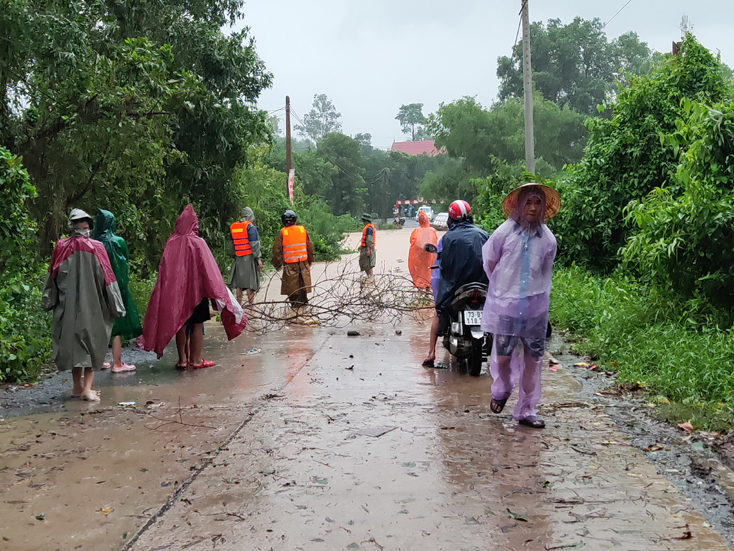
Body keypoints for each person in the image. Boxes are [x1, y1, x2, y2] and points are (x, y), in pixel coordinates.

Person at [481, 183, 559, 429]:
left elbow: (545, 272)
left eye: (538, 203)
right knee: (503, 357)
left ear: (544, 207)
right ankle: (502, 389)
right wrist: (504, 290)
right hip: (507, 307)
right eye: (528, 202)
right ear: (518, 204)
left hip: (535, 309)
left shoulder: (547, 240)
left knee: (533, 361)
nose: (533, 208)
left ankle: (527, 409)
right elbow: (490, 262)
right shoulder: (504, 233)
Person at [140, 204, 246, 368]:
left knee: (180, 324)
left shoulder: (172, 242)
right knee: (197, 324)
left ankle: (182, 359)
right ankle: (195, 360)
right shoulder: (198, 242)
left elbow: (165, 270)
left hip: (176, 292)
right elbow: (209, 270)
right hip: (196, 294)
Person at [42, 209, 126, 401]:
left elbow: (51, 278)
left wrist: (48, 300)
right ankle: (87, 389)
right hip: (94, 305)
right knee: (91, 344)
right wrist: (116, 307)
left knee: (75, 347)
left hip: (67, 306)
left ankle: (77, 387)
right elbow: (108, 278)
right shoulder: (96, 247)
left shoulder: (61, 247)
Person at [424, 200, 488, 367]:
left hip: (455, 287)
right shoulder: (483, 235)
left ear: (450, 219)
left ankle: (431, 353)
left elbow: (442, 267)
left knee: (438, 312)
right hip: (482, 286)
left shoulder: (446, 239)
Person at [93, 209, 142, 373]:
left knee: (99, 322)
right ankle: (117, 363)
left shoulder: (92, 243)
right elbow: (125, 261)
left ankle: (98, 361)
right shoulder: (119, 242)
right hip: (116, 286)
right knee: (117, 324)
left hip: (97, 287)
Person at [271, 209, 314, 309]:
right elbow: (310, 247)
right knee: (303, 292)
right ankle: (303, 315)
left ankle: (295, 317)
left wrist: (277, 265)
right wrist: (310, 261)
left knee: (293, 293)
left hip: (290, 266)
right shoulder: (302, 230)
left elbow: (276, 250)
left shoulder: (283, 233)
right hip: (303, 264)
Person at [229, 207, 262, 306]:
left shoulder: (233, 227)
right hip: (249, 258)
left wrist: (234, 256)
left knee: (239, 284)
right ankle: (251, 307)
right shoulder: (250, 227)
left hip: (238, 258)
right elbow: (254, 245)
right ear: (250, 216)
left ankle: (239, 306)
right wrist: (258, 259)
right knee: (250, 284)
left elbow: (231, 245)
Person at [408, 210, 438, 290]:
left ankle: (420, 291)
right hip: (429, 257)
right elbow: (435, 243)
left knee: (419, 274)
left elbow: (413, 242)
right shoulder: (432, 230)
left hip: (419, 257)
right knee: (428, 273)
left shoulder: (416, 230)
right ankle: (427, 293)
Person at [358, 213, 376, 277]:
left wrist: (368, 249)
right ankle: (370, 278)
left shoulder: (368, 229)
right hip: (366, 247)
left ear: (365, 221)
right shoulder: (369, 227)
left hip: (367, 248)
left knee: (368, 265)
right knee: (366, 265)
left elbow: (369, 239)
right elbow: (367, 239)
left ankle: (370, 278)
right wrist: (361, 246)